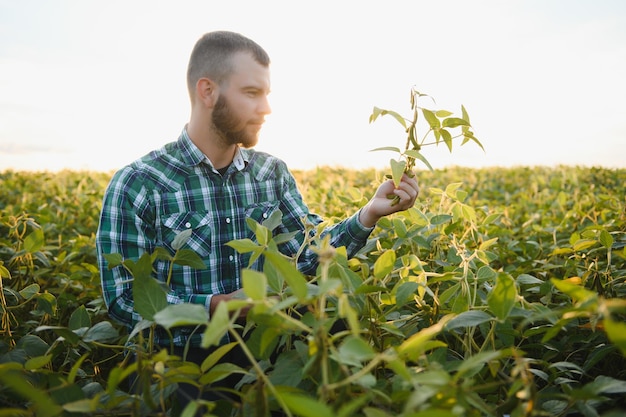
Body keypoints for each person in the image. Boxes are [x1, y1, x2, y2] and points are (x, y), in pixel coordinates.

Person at [96, 30, 419, 413]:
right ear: (207, 91)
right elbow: (123, 297)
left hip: (266, 349)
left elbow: (309, 253)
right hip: (180, 366)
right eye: (252, 93)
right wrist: (215, 307)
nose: (266, 108)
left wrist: (368, 215)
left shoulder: (271, 173)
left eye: (266, 94)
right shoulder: (139, 183)